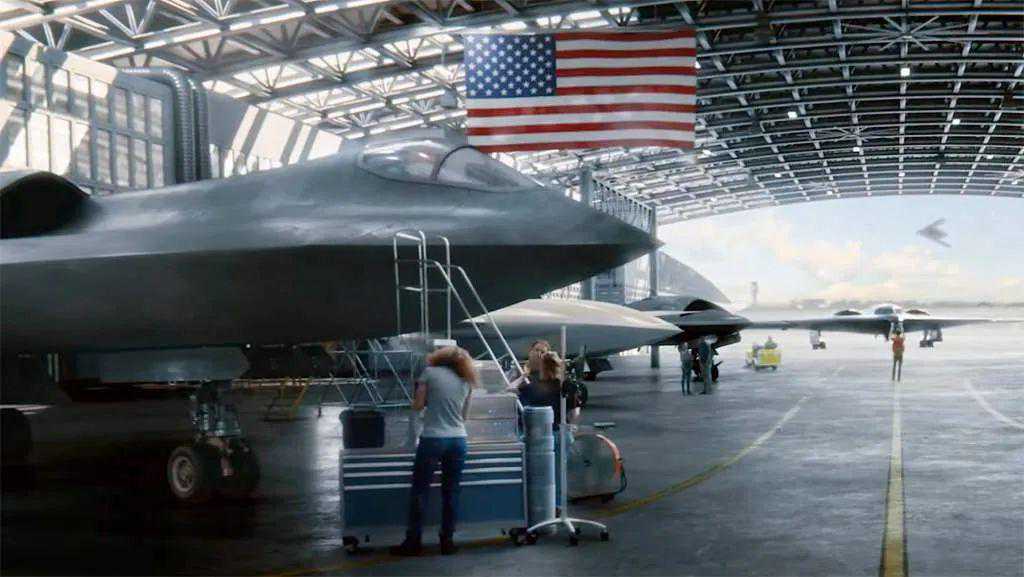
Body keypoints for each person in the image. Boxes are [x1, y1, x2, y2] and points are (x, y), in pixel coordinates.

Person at [391, 346, 476, 557]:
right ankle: (447, 541)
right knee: (451, 491)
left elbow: (419, 405)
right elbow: (464, 416)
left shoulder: (429, 373)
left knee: (420, 491)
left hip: (433, 438)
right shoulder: (466, 379)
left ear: (439, 357)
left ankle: (413, 542)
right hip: (458, 440)